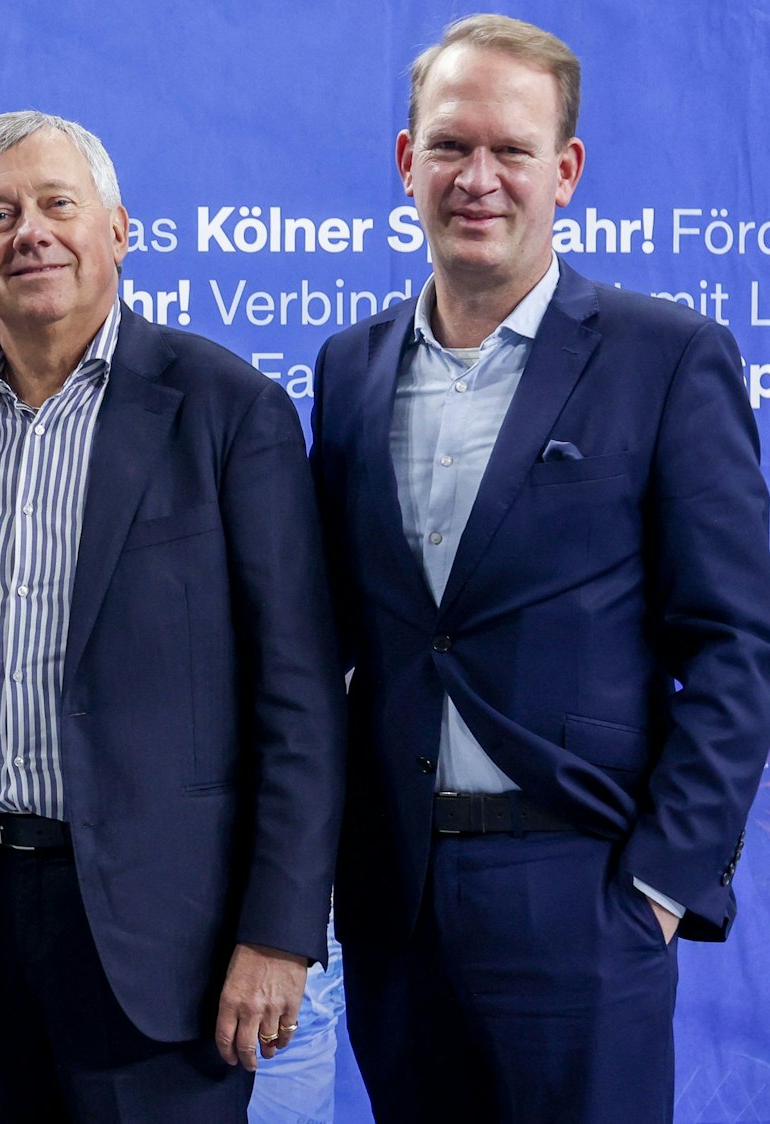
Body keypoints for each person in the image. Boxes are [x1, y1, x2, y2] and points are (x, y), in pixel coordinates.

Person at [310, 13, 770, 1121]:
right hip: (394, 905)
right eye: (450, 145)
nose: (478, 177)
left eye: (510, 150)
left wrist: (659, 885)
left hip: (583, 896)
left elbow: (736, 644)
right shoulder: (349, 367)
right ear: (405, 160)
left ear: (562, 171)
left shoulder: (668, 356)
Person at [0, 110, 344, 1122]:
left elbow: (299, 696)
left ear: (118, 231)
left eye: (56, 204)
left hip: (164, 937)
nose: (29, 232)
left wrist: (281, 932)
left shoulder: (227, 408)